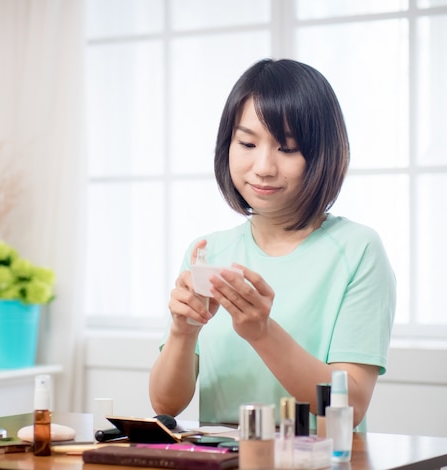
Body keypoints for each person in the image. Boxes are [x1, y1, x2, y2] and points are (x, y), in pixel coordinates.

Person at [148, 58, 396, 430]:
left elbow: (351, 403)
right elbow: (166, 404)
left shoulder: (359, 250)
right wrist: (183, 332)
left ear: (322, 154)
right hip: (222, 460)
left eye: (288, 148)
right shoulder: (207, 252)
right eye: (247, 142)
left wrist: (263, 332)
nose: (263, 166)